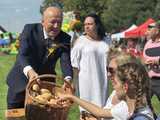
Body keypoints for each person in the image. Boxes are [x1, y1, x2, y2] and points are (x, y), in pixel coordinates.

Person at [6, 6, 73, 109]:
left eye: (59, 22)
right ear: (43, 22)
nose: (56, 26)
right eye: (53, 22)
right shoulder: (30, 30)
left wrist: (68, 79)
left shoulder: (65, 38)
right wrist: (30, 72)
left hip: (44, 87)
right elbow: (22, 55)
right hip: (20, 84)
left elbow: (65, 62)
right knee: (15, 115)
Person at [58, 50, 154, 120]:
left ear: (125, 86)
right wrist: (72, 97)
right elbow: (101, 113)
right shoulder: (128, 106)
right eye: (107, 69)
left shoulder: (136, 113)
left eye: (111, 71)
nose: (108, 75)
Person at [70, 13, 110, 119]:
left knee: (103, 108)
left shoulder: (106, 40)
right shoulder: (80, 41)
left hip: (102, 79)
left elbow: (111, 59)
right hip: (86, 82)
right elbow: (75, 65)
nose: (87, 26)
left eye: (90, 24)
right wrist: (73, 82)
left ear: (97, 25)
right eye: (85, 24)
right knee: (87, 111)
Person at [143, 21, 160, 119]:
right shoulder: (148, 43)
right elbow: (144, 56)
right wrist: (145, 62)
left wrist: (157, 61)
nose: (147, 31)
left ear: (157, 31)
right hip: (149, 80)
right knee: (143, 103)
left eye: (150, 29)